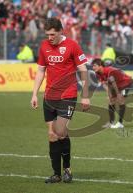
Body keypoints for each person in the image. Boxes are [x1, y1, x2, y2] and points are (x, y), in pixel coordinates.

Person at [30, 18, 90, 183]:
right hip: (49, 97)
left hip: (67, 95)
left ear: (60, 31)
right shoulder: (44, 46)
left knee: (60, 131)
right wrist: (34, 93)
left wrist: (85, 95)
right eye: (47, 34)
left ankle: (67, 168)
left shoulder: (72, 45)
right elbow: (41, 71)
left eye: (52, 34)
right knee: (52, 135)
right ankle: (56, 174)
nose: (50, 37)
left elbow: (83, 69)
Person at [92, 58, 132, 129]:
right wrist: (109, 94)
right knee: (111, 101)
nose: (93, 67)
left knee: (120, 100)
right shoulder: (97, 73)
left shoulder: (109, 71)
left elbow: (113, 83)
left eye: (95, 66)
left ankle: (120, 123)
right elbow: (104, 84)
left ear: (100, 66)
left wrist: (118, 94)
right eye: (93, 66)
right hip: (116, 84)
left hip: (126, 83)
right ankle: (111, 123)